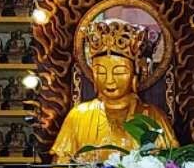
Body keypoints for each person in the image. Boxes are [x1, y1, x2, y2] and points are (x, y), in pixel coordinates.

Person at [50, 18, 178, 163]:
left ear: (135, 75)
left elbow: (170, 161)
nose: (109, 80)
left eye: (119, 72)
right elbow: (60, 162)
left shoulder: (153, 118)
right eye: (101, 72)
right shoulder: (78, 116)